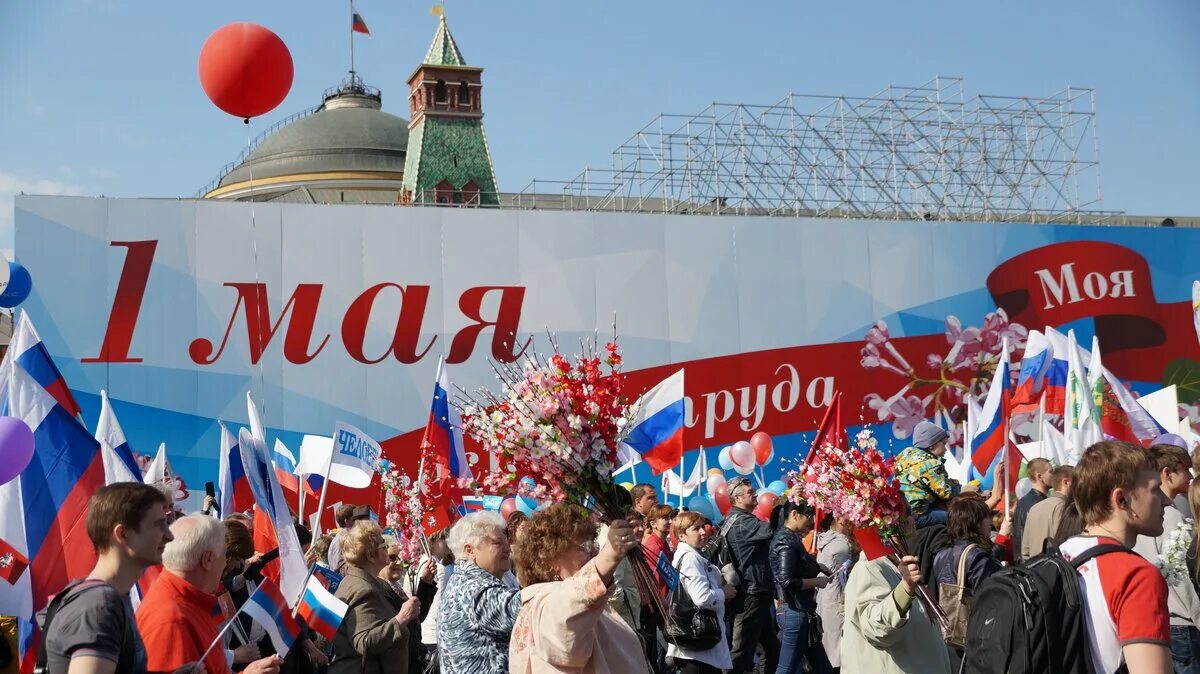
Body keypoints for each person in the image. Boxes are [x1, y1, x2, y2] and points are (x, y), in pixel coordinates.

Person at [1057, 440, 1172, 674]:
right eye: (1154, 489)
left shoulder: (1057, 556)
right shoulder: (1136, 575)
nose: (1166, 500)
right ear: (1121, 499)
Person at [42, 483, 176, 674]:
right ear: (122, 534)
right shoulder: (101, 605)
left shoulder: (110, 598)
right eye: (159, 524)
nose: (169, 536)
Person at [508, 504, 647, 674]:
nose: (595, 551)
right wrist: (609, 556)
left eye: (594, 544)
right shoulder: (544, 602)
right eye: (585, 546)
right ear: (549, 561)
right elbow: (565, 613)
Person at [137, 514, 283, 674]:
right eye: (224, 557)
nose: (227, 566)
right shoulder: (172, 620)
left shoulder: (189, 604)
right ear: (208, 559)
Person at [842, 519, 951, 674]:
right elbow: (876, 629)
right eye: (906, 513)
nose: (912, 518)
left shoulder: (891, 564)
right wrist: (905, 588)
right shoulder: (870, 567)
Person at [1132, 444, 1200, 674]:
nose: (1190, 476)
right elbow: (1182, 577)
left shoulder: (1142, 515)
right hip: (1182, 621)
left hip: (1160, 618)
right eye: (1184, 470)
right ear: (1167, 473)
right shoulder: (1171, 518)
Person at [933, 496, 1012, 671]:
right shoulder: (976, 555)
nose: (989, 522)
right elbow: (992, 595)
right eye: (986, 518)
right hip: (972, 634)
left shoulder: (942, 552)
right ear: (976, 523)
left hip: (948, 631)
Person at [330, 521, 420, 674]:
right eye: (383, 546)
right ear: (371, 555)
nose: (387, 548)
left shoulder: (364, 582)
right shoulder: (363, 589)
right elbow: (365, 642)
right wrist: (401, 618)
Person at [438, 512, 522, 674]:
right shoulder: (474, 587)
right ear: (470, 551)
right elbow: (525, 609)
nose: (507, 548)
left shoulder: (464, 579)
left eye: (507, 541)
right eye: (497, 543)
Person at [722, 476, 779, 674]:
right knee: (741, 654)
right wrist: (787, 505)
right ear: (737, 498)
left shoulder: (738, 520)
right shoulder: (743, 522)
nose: (754, 493)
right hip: (751, 595)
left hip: (755, 593)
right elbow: (773, 530)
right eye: (749, 491)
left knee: (770, 650)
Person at [666, 510, 734, 674]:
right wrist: (723, 592)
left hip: (698, 647)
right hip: (699, 645)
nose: (703, 532)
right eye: (695, 529)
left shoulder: (692, 555)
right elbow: (702, 598)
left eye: (703, 526)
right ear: (682, 536)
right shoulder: (690, 558)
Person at [769, 500, 834, 674]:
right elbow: (786, 580)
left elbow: (797, 563)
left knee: (822, 667)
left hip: (800, 611)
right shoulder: (786, 539)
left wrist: (818, 567)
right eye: (809, 517)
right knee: (787, 669)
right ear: (795, 515)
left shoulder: (791, 538)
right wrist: (816, 582)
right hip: (794, 611)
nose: (812, 522)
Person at [894, 421, 960, 528]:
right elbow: (946, 493)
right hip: (919, 514)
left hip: (903, 513)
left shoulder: (904, 458)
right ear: (931, 446)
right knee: (957, 518)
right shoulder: (931, 464)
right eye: (943, 444)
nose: (946, 448)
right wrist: (957, 485)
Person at [814, 516, 854, 674]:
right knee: (838, 645)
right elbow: (843, 577)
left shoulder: (825, 539)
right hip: (837, 597)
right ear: (838, 519)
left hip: (824, 596)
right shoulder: (841, 544)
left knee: (829, 642)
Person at [1021, 465, 1074, 560]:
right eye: (1078, 482)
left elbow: (1025, 550)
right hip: (1058, 569)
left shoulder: (1035, 508)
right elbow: (1069, 546)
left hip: (1035, 569)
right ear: (1066, 482)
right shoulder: (1067, 509)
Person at [1013, 457, 1053, 562]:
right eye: (1051, 472)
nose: (1054, 475)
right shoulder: (1038, 504)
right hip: (1034, 564)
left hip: (1025, 564)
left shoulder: (1024, 501)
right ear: (1039, 476)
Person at [327, 505, 370, 575]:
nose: (357, 522)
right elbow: (337, 568)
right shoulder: (341, 539)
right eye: (354, 519)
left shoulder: (342, 537)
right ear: (346, 521)